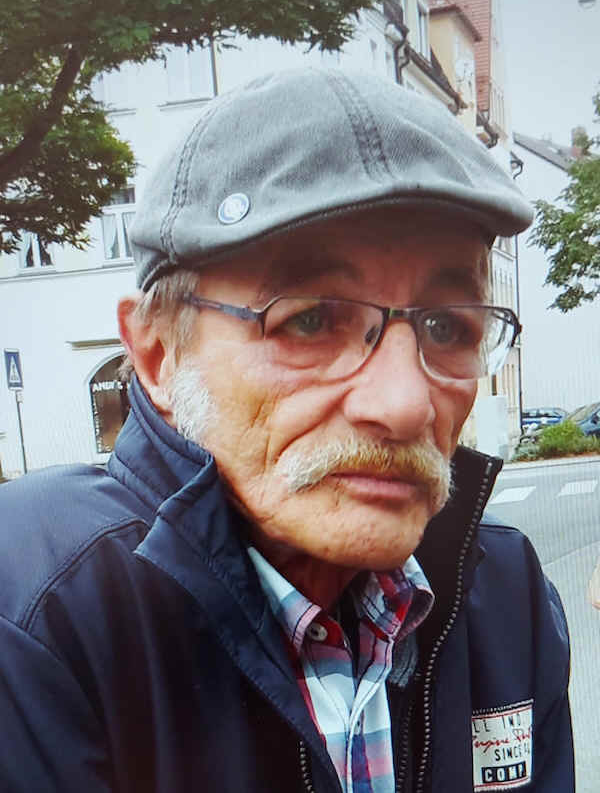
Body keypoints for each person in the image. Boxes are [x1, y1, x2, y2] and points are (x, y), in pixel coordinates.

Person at [0, 68, 573, 792]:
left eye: (446, 327)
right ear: (157, 354)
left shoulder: (506, 597)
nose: (405, 404)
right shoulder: (38, 612)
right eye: (310, 320)